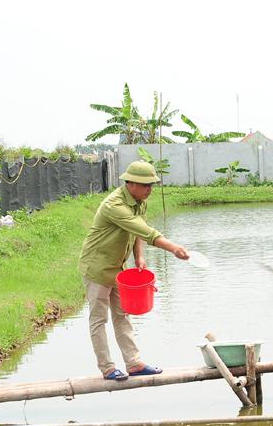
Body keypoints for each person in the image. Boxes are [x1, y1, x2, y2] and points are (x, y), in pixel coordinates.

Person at [78, 160, 189, 381]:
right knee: (99, 319)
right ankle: (108, 368)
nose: (150, 189)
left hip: (119, 268)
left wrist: (139, 257)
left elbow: (137, 232)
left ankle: (134, 363)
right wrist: (173, 248)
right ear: (131, 184)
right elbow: (144, 230)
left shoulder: (139, 201)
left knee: (123, 315)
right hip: (97, 267)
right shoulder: (114, 205)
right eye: (146, 185)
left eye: (152, 185)